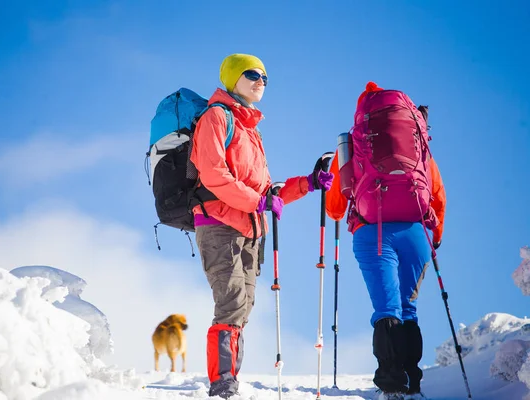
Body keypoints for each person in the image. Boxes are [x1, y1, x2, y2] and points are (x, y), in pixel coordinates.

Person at [190, 53, 334, 398]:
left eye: (265, 78)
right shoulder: (216, 117)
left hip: (251, 230)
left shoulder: (250, 131)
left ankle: (228, 379)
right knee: (232, 301)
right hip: (219, 223)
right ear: (232, 78)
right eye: (252, 74)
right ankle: (223, 384)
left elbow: (267, 191)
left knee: (243, 305)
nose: (260, 82)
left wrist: (309, 183)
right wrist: (258, 202)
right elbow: (213, 175)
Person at [325, 82, 446, 400]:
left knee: (386, 307)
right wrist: (435, 236)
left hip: (372, 232)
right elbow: (437, 196)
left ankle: (391, 385)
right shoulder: (418, 144)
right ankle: (413, 383)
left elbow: (335, 208)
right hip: (416, 232)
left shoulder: (352, 145)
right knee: (409, 308)